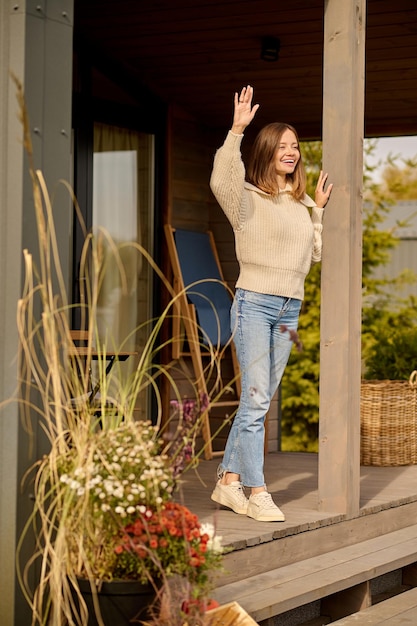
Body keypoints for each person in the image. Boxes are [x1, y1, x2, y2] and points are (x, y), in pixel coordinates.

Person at [209, 85, 333, 522]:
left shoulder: (299, 205)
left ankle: (227, 481)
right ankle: (256, 489)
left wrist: (316, 210)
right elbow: (219, 179)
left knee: (260, 400)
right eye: (282, 146)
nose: (291, 152)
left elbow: (313, 255)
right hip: (255, 303)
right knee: (258, 400)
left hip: (289, 308)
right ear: (265, 152)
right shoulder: (245, 199)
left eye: (295, 146)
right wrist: (236, 130)